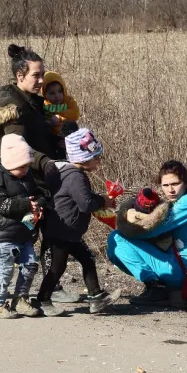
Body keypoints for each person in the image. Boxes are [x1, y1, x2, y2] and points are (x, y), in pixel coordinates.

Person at [0, 44, 74, 299]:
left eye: (42, 74)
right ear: (20, 76)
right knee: (24, 231)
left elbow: (38, 136)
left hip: (37, 172)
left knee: (36, 229)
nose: (42, 80)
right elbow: (17, 147)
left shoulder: (33, 102)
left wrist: (59, 140)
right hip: (19, 176)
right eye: (37, 75)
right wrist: (46, 161)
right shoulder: (13, 107)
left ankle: (48, 284)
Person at [107, 160, 187, 307]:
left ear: (186, 182)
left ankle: (156, 288)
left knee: (116, 239)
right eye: (165, 185)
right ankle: (160, 288)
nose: (170, 190)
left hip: (182, 271)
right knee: (117, 246)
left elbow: (149, 230)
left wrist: (125, 214)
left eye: (175, 184)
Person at [36, 127, 122, 317]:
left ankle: (96, 297)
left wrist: (98, 199)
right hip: (61, 231)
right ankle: (42, 299)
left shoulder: (72, 174)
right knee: (57, 267)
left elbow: (81, 198)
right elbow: (85, 204)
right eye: (96, 157)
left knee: (88, 259)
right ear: (82, 158)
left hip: (70, 231)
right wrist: (103, 201)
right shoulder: (75, 176)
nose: (99, 161)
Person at [0, 134, 49, 319]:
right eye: (22, 166)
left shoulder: (26, 176)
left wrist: (39, 204)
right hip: (3, 232)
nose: (26, 169)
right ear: (10, 163)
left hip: (24, 232)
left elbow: (38, 194)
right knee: (5, 269)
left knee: (30, 265)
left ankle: (21, 299)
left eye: (28, 165)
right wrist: (26, 205)